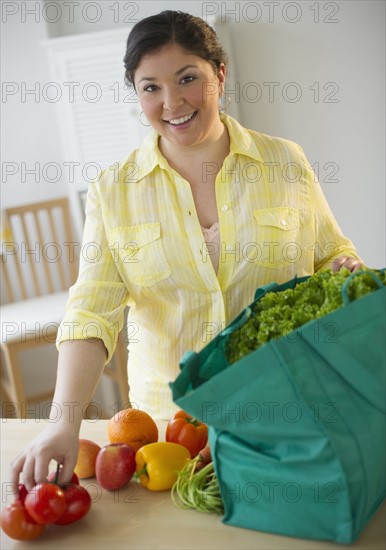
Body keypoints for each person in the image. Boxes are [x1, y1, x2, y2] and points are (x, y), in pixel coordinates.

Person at [10, 10, 362, 489]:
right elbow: (91, 311)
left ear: (220, 74)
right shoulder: (114, 190)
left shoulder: (284, 162)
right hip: (170, 436)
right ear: (136, 94)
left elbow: (332, 255)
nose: (172, 102)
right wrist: (62, 422)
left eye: (187, 78)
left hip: (286, 414)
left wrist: (346, 269)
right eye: (151, 86)